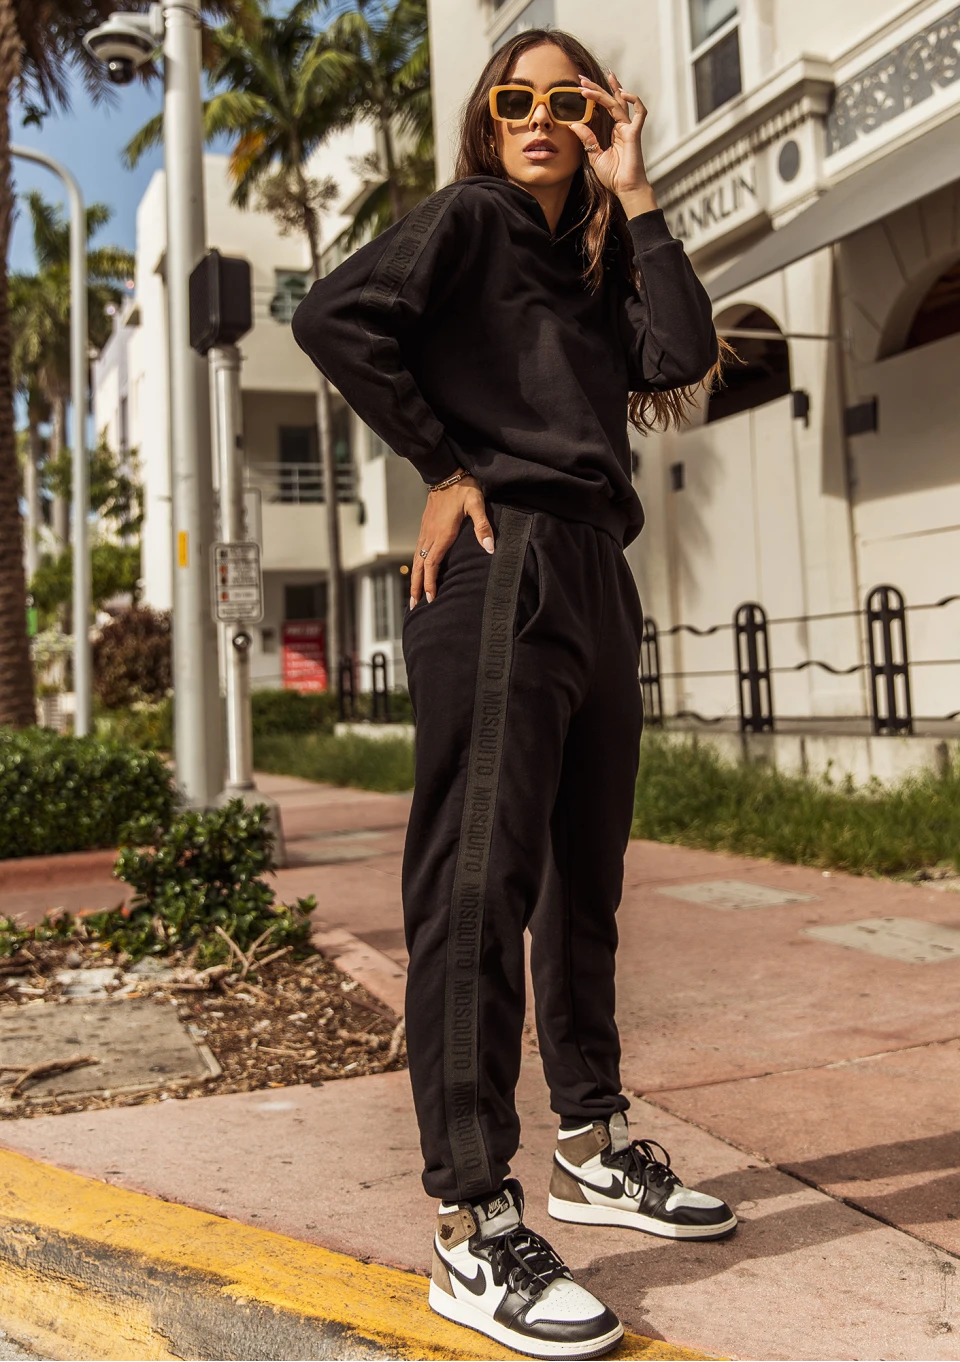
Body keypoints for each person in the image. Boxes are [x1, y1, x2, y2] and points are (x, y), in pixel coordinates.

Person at [292, 26, 737, 1360]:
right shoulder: (470, 218)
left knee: (586, 881)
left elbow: (679, 351)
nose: (542, 116)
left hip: (596, 568)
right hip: (506, 563)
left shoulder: (592, 260)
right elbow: (332, 316)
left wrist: (637, 186)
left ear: (598, 117)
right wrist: (443, 464)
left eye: (570, 100)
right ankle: (471, 1218)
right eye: (517, 98)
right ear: (487, 120)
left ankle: (591, 1142)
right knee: (479, 885)